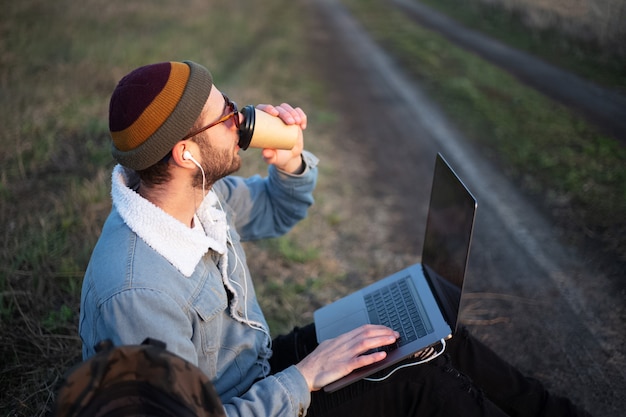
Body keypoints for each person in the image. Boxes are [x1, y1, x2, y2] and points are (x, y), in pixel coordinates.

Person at [79, 60, 591, 417]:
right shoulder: (137, 293)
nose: (241, 118)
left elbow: (279, 210)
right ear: (186, 153)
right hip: (248, 401)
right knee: (420, 380)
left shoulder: (196, 199)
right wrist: (305, 378)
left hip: (257, 373)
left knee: (427, 328)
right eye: (226, 114)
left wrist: (291, 162)